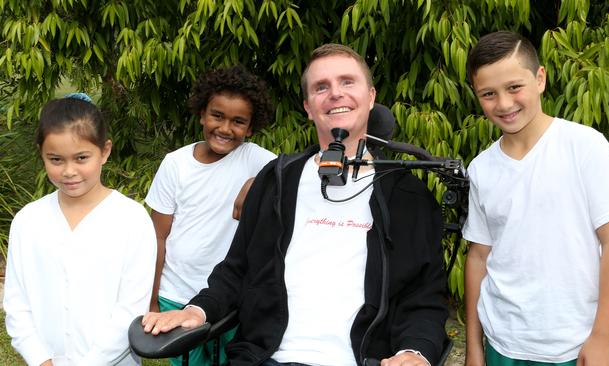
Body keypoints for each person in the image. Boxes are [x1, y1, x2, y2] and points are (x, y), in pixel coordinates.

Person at [141, 43, 449, 366]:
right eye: (321, 87)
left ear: (370, 97)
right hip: (265, 358)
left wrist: (415, 352)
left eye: (347, 82)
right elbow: (235, 271)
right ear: (307, 106)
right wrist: (197, 310)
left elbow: (423, 297)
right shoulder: (277, 181)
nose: (335, 94)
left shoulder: (406, 195)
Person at [462, 31, 609, 366]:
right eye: (488, 94)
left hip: (574, 344)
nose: (503, 103)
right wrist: (474, 347)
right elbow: (478, 257)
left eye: (514, 87)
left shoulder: (585, 146)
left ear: (540, 78)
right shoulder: (481, 168)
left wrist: (605, 336)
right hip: (503, 343)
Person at [3, 94, 157, 365]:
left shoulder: (131, 220)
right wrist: (41, 359)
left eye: (81, 157)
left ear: (105, 151)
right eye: (56, 159)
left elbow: (131, 309)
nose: (69, 171)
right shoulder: (28, 221)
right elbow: (17, 304)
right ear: (42, 154)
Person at [144, 65, 276, 365]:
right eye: (218, 116)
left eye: (238, 121)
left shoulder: (257, 160)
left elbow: (295, 173)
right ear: (202, 114)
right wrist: (151, 301)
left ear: (251, 127)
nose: (226, 128)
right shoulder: (175, 165)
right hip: (175, 294)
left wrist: (258, 181)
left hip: (230, 298)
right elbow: (157, 237)